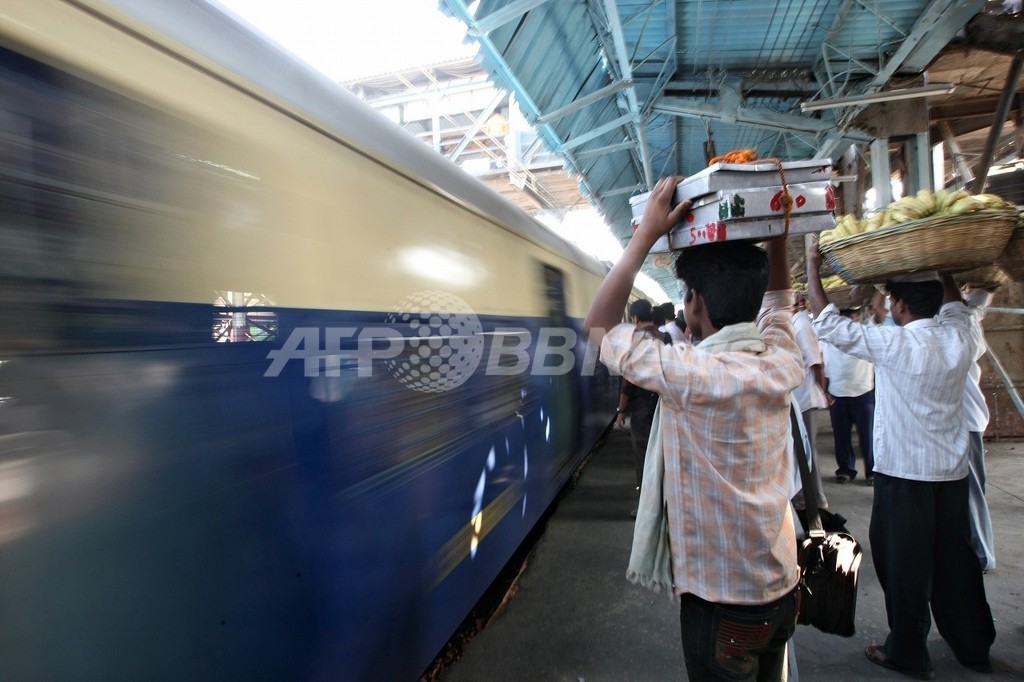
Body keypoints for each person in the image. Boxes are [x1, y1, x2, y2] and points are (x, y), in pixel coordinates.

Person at [585, 176, 804, 681]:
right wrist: (776, 233)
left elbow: (598, 327)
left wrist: (643, 237)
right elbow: (779, 305)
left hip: (721, 602)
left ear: (696, 303)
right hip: (779, 587)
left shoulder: (691, 374)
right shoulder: (781, 361)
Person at [806, 241, 996, 679]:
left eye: (892, 299)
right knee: (956, 561)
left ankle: (908, 651)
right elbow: (955, 306)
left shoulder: (893, 343)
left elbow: (828, 323)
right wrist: (942, 265)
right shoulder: (961, 335)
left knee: (904, 568)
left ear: (902, 305)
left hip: (904, 477)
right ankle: (973, 645)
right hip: (950, 473)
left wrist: (813, 267)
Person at [963, 286, 998, 571]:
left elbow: (983, 292)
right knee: (967, 492)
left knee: (972, 491)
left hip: (964, 421)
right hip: (959, 421)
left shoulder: (961, 322)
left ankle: (982, 555)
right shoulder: (963, 317)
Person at [615, 299, 666, 493]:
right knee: (662, 451)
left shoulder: (634, 343)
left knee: (643, 454)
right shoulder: (665, 338)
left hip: (641, 408)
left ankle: (646, 501)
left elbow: (628, 382)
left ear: (634, 318)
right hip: (663, 404)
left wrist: (621, 410)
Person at [824, 308, 875, 484]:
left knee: (868, 436)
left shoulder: (866, 338)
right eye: (852, 320)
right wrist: (825, 390)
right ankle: (845, 470)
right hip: (838, 394)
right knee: (841, 436)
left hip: (863, 392)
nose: (855, 323)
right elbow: (824, 365)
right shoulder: (829, 340)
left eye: (856, 319)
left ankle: (872, 472)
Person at [790, 294, 829, 521]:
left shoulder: (802, 324)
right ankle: (808, 496)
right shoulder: (796, 323)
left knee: (808, 450)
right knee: (803, 449)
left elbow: (816, 362)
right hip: (801, 396)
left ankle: (815, 499)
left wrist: (822, 390)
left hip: (807, 396)